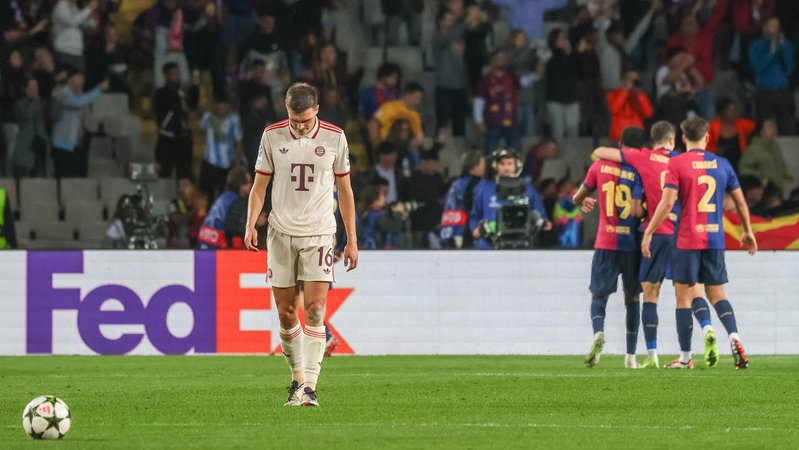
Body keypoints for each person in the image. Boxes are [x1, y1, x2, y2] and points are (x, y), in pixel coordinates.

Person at [245, 82, 358, 407]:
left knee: (314, 309)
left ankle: (309, 386)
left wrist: (352, 239)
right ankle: (296, 379)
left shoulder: (335, 137)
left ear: (317, 111)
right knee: (284, 313)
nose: (300, 127)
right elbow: (259, 186)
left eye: (306, 121)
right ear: (288, 112)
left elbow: (346, 192)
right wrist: (251, 223)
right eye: (295, 121)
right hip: (280, 233)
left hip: (320, 233)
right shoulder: (272, 135)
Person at [642, 117, 757, 369]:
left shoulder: (677, 163)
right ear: (707, 137)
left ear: (683, 138)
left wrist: (649, 230)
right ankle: (734, 336)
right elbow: (739, 201)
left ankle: (685, 358)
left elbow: (668, 202)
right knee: (717, 294)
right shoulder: (722, 164)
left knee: (684, 296)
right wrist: (747, 231)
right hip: (715, 238)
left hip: (686, 239)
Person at [592, 122, 681, 369]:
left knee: (648, 295)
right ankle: (690, 351)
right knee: (688, 294)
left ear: (651, 142)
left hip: (649, 236)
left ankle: (649, 356)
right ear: (673, 141)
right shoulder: (681, 161)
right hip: (682, 236)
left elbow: (635, 208)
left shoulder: (643, 159)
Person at [572, 127, 645, 369]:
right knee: (632, 297)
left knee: (598, 295)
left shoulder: (599, 166)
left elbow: (576, 198)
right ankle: (631, 356)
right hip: (632, 244)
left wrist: (584, 200)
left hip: (605, 241)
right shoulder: (641, 169)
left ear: (619, 143)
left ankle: (598, 332)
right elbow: (640, 207)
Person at [469, 149, 549, 250]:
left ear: (516, 166)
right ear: (495, 166)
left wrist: (544, 222)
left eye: (509, 164)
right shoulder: (483, 188)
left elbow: (540, 215)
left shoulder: (528, 188)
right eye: (502, 164)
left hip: (521, 245)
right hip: (489, 246)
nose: (506, 167)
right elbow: (474, 215)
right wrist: (475, 229)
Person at [51, 71, 108, 178]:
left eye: (82, 78)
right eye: (79, 78)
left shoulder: (77, 94)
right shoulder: (64, 92)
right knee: (63, 177)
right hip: (62, 144)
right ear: (70, 79)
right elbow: (78, 103)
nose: (81, 81)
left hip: (74, 144)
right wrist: (98, 90)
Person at [749, 17, 795, 135]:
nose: (774, 30)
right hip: (765, 91)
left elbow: (789, 69)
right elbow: (758, 68)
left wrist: (783, 49)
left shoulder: (786, 45)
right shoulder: (757, 46)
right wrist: (771, 53)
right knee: (764, 127)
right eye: (771, 26)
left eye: (777, 27)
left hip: (782, 91)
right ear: (765, 27)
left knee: (786, 127)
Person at [154, 62, 198, 180]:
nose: (176, 76)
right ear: (166, 75)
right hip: (167, 138)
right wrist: (179, 104)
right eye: (173, 74)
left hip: (184, 139)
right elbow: (164, 112)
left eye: (178, 73)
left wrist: (194, 87)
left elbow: (193, 106)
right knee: (164, 172)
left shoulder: (183, 92)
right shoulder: (161, 93)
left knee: (184, 174)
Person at [474, 50, 521, 153]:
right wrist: (478, 121)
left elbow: (525, 81)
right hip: (492, 122)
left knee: (516, 155)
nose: (501, 61)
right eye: (498, 58)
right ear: (492, 61)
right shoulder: (486, 79)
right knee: (490, 154)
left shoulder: (512, 77)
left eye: (504, 59)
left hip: (511, 121)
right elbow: (479, 100)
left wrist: (537, 73)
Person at [432, 8, 468, 141]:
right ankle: (438, 150)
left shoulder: (461, 40)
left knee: (460, 123)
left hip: (461, 86)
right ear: (440, 22)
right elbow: (447, 39)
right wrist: (466, 22)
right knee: (443, 122)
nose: (450, 23)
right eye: (447, 20)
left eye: (452, 20)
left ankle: (461, 153)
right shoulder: (437, 38)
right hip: (444, 86)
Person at [400, 149, 448, 249]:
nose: (436, 168)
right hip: (419, 224)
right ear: (424, 163)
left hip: (435, 224)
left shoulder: (437, 178)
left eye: (436, 165)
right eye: (433, 165)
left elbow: (441, 196)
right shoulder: (413, 179)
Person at [199, 94, 244, 200]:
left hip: (227, 164)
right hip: (210, 163)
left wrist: (238, 160)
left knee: (226, 196)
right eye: (219, 107)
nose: (221, 110)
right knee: (207, 196)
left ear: (228, 106)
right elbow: (201, 131)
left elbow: (238, 141)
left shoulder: (234, 119)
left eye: (224, 107)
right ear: (214, 106)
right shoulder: (208, 117)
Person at [440, 151, 486, 249]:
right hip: (467, 234)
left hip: (452, 232)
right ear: (474, 167)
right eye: (483, 164)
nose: (485, 167)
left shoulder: (456, 183)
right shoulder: (478, 184)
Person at [545, 29, 580, 140]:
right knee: (558, 129)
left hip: (572, 97)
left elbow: (580, 71)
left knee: (573, 127)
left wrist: (571, 53)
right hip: (555, 98)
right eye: (561, 38)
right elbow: (555, 71)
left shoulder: (575, 55)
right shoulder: (549, 55)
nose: (564, 41)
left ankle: (574, 154)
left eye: (565, 38)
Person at [739, 119, 792, 190]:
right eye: (769, 127)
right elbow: (744, 168)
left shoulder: (775, 147)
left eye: (773, 126)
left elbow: (781, 164)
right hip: (763, 190)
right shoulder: (753, 149)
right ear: (761, 132)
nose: (773, 129)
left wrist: (786, 175)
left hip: (778, 188)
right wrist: (759, 178)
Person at [369, 82, 424, 149]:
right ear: (407, 95)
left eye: (420, 99)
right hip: (386, 147)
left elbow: (419, 136)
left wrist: (414, 144)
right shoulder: (389, 107)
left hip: (403, 149)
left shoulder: (415, 115)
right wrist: (377, 145)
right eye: (417, 98)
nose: (418, 102)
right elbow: (373, 123)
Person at [707, 99, 756, 172]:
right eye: (729, 110)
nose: (733, 113)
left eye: (734, 110)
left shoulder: (741, 124)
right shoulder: (712, 127)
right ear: (722, 112)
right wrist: (715, 150)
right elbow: (707, 148)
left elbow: (757, 127)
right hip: (719, 165)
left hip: (740, 164)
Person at [13, 77, 49, 178]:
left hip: (40, 142)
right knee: (21, 175)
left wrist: (55, 98)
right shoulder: (20, 103)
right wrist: (35, 101)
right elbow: (27, 115)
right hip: (26, 144)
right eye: (32, 86)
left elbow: (55, 116)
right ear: (25, 88)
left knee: (39, 174)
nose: (35, 89)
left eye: (36, 86)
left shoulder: (43, 103)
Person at [51, 0, 98, 71]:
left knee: (80, 80)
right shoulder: (60, 7)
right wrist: (89, 8)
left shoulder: (74, 8)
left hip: (77, 52)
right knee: (66, 80)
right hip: (64, 51)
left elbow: (82, 22)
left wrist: (92, 20)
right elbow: (72, 22)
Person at [607, 70, 654, 142]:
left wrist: (639, 96)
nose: (633, 84)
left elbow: (648, 113)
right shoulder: (614, 94)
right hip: (619, 135)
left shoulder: (640, 96)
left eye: (635, 81)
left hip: (637, 135)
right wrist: (624, 91)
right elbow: (614, 109)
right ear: (623, 80)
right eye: (630, 80)